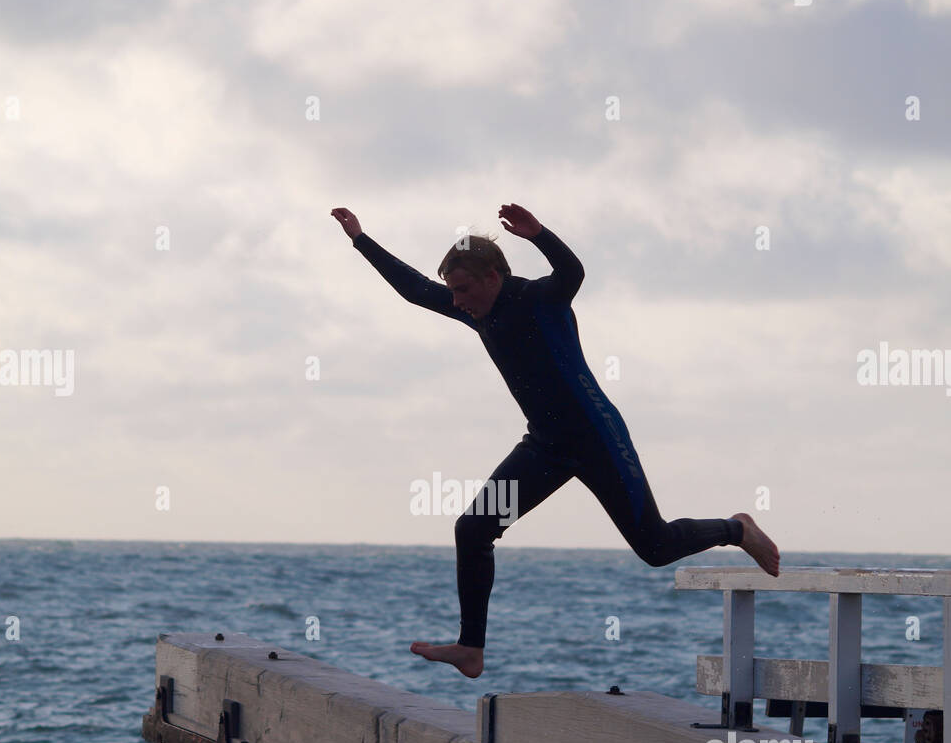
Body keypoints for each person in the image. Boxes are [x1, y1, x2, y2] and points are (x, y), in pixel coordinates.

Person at [331, 202, 779, 678]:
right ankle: (471, 648)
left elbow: (573, 271)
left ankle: (736, 528)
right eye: (453, 291)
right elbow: (416, 290)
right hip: (545, 446)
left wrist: (540, 234)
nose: (456, 300)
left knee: (655, 546)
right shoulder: (476, 311)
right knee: (473, 529)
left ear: (493, 276)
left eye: (462, 289)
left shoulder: (540, 298)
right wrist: (360, 240)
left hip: (596, 437)